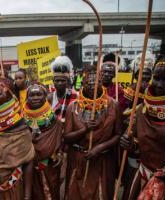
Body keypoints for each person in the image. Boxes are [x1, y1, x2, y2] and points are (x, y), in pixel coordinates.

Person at [120, 55, 165, 199]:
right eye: (156, 78)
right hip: (143, 179)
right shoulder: (141, 110)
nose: (159, 84)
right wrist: (130, 144)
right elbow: (140, 147)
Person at [63, 65, 122, 200]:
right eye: (88, 83)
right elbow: (66, 137)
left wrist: (99, 148)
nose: (92, 86)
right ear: (83, 84)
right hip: (78, 159)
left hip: (102, 160)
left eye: (96, 83)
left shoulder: (114, 105)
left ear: (102, 83)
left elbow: (118, 134)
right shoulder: (73, 107)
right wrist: (85, 129)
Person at [121, 51, 155, 200]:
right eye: (142, 74)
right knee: (131, 177)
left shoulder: (156, 90)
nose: (145, 78)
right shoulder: (133, 88)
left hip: (151, 138)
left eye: (148, 75)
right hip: (133, 132)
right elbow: (127, 110)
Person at [23, 82, 63, 199]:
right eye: (32, 95)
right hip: (29, 164)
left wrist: (59, 153)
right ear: (27, 97)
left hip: (50, 164)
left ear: (45, 96)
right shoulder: (20, 119)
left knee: (52, 191)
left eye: (39, 94)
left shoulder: (55, 119)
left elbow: (60, 139)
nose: (35, 98)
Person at [49, 56, 78, 122]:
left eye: (63, 80)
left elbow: (76, 117)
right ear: (53, 81)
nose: (60, 83)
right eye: (57, 80)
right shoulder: (49, 97)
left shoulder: (74, 95)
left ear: (67, 81)